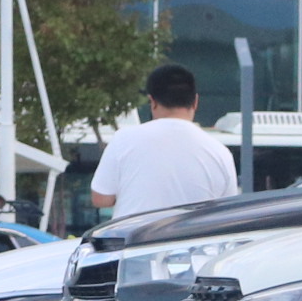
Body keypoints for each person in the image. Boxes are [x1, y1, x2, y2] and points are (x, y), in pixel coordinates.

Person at [88, 64, 237, 219]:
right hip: (193, 234)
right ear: (195, 101)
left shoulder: (123, 139)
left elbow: (101, 199)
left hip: (135, 233)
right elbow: (228, 211)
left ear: (152, 101)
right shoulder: (219, 152)